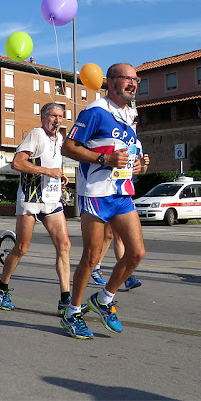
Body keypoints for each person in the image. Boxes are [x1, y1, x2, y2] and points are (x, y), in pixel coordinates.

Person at [60, 63, 146, 339]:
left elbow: (130, 157)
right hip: (97, 192)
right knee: (92, 256)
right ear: (110, 82)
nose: (132, 83)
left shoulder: (130, 115)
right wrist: (105, 159)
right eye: (127, 79)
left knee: (136, 253)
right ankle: (72, 312)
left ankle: (104, 300)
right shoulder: (96, 111)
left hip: (122, 192)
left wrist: (140, 165)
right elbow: (68, 147)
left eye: (135, 79)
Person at [0, 103, 77, 315]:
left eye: (60, 116)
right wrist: (48, 171)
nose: (57, 120)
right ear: (43, 117)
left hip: (52, 200)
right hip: (30, 199)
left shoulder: (59, 140)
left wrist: (59, 175)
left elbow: (51, 167)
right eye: (53, 116)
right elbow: (17, 163)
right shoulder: (36, 134)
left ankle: (65, 299)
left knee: (64, 245)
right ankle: (1, 287)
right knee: (21, 248)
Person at [92, 144, 150, 289]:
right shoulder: (115, 135)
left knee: (115, 236)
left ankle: (125, 276)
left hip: (124, 193)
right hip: (106, 192)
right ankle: (95, 266)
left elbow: (140, 169)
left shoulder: (136, 142)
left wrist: (142, 166)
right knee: (109, 235)